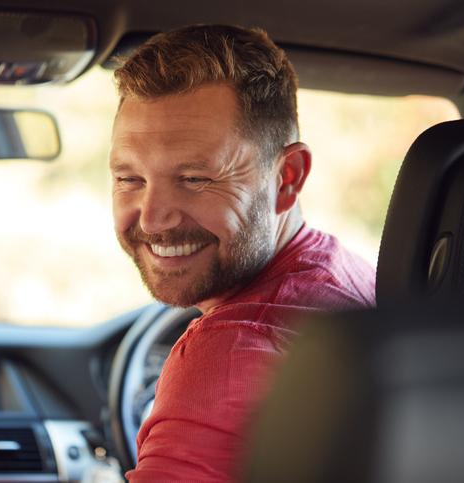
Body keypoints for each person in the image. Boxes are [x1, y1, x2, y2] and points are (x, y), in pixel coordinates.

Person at [109, 25, 376, 481]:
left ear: (288, 177)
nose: (152, 219)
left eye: (195, 179)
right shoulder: (347, 277)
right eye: (129, 179)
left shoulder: (232, 346)